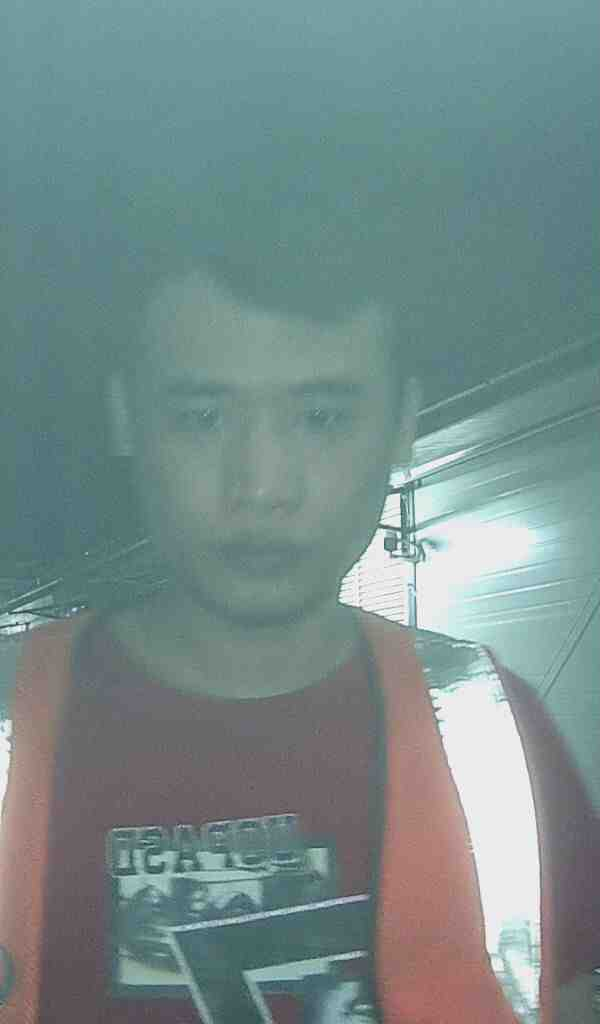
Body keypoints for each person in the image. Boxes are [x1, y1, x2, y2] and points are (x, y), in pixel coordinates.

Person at [0, 270, 598, 1023]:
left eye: (321, 418)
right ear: (128, 418)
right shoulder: (11, 720)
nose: (261, 486)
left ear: (402, 423)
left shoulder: (498, 737)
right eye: (202, 417)